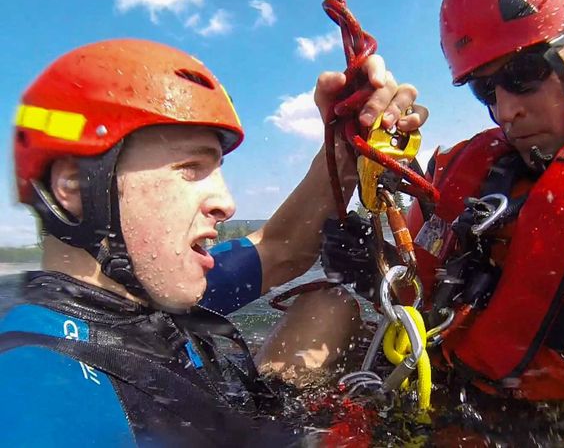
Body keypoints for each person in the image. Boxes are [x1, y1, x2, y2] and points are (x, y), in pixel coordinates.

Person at [0, 38, 425, 445]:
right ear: (74, 187)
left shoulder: (142, 291)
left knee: (328, 306)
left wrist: (345, 141)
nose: (227, 204)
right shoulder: (37, 388)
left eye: (218, 170)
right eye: (190, 168)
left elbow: (281, 250)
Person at [321, 0, 564, 403]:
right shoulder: (457, 171)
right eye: (485, 90)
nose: (507, 110)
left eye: (524, 75)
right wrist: (373, 269)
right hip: (432, 395)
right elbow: (418, 293)